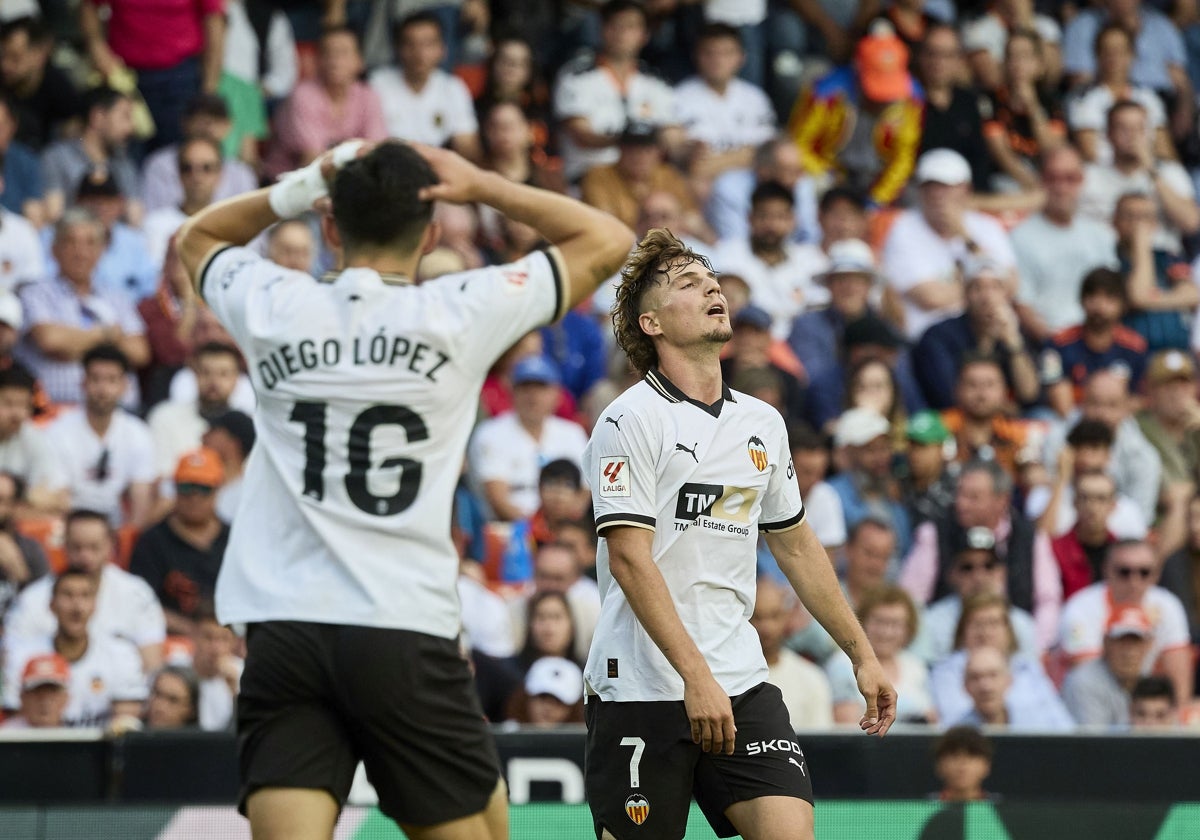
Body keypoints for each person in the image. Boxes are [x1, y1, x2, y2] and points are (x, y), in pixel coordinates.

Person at [174, 136, 633, 839]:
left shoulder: (274, 302)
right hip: (399, 623)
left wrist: (298, 186)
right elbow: (608, 238)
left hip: (283, 625)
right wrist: (482, 185)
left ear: (329, 227)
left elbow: (196, 236)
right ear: (432, 233)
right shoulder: (459, 309)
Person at [581, 228, 894, 840]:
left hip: (741, 678)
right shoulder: (628, 419)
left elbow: (797, 545)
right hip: (642, 686)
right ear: (652, 323)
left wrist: (862, 654)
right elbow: (629, 561)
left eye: (711, 279)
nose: (711, 288)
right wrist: (695, 678)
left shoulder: (764, 422)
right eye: (687, 284)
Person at [4, 508, 166, 671]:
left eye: (94, 547)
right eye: (77, 547)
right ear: (64, 545)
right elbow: (12, 664)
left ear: (111, 546)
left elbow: (151, 665)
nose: (85, 557)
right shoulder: (32, 600)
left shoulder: (137, 594)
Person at [2, 566, 147, 727]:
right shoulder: (24, 657)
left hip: (101, 750)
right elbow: (17, 722)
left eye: (85, 596)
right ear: (51, 605)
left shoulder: (121, 654)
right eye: (68, 595)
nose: (77, 607)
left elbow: (126, 724)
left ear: (95, 605)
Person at [1058, 539, 1193, 705]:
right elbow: (1088, 679)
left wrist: (1170, 721)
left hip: (1148, 710)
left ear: (1157, 574)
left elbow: (1179, 681)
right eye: (1124, 572)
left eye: (1144, 572)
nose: (1134, 581)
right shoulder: (1081, 608)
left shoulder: (1168, 605)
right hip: (1095, 703)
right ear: (1106, 570)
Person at [1011, 146, 1118, 344]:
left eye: (1070, 178)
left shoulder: (1101, 235)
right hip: (1050, 340)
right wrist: (1058, 348)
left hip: (1099, 342)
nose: (1061, 187)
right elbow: (1022, 305)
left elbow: (1113, 297)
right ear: (1042, 181)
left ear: (1082, 181)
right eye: (1053, 178)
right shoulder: (1020, 237)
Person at [43, 344, 156, 529]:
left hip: (117, 528)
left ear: (124, 386)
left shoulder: (138, 433)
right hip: (70, 526)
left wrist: (129, 541)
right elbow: (59, 498)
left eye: (111, 380)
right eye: (95, 379)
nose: (103, 389)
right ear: (83, 383)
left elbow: (141, 500)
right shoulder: (57, 432)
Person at [129, 448, 228, 636]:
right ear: (175, 488)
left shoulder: (234, 538)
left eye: (204, 488)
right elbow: (140, 603)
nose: (194, 497)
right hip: (173, 638)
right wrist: (194, 632)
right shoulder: (152, 541)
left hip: (228, 638)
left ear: (218, 489)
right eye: (186, 487)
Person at [369, 11, 482, 162]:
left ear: (442, 49)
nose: (419, 53)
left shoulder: (453, 88)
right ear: (398, 48)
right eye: (411, 44)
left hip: (440, 171)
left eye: (428, 44)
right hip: (389, 168)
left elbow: (467, 145)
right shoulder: (377, 84)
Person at [825, 585, 935, 724]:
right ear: (861, 623)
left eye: (895, 624)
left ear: (909, 629)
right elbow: (846, 724)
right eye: (879, 622)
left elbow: (932, 718)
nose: (886, 632)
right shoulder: (843, 664)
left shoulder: (916, 667)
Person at [750, 578, 834, 730]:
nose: (766, 627)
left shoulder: (811, 678)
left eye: (774, 616)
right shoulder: (730, 676)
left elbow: (821, 742)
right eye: (758, 617)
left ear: (786, 617)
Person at [1061, 604, 1156, 727]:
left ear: (1148, 646)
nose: (1128, 652)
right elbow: (1094, 742)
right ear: (1106, 643)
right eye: (1121, 642)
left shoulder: (1146, 678)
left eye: (1135, 642)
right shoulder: (1084, 681)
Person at [0, 651, 70, 728]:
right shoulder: (5, 733)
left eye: (52, 691)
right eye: (37, 691)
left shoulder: (80, 733)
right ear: (22, 697)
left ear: (66, 698)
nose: (44, 700)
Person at [932, 726, 996, 802]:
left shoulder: (1001, 807)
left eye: (971, 756)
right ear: (939, 766)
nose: (962, 764)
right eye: (954, 756)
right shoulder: (922, 808)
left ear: (987, 766)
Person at [144, 664, 201, 729]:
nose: (160, 707)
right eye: (157, 694)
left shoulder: (206, 738)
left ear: (192, 710)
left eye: (173, 700)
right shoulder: (132, 729)